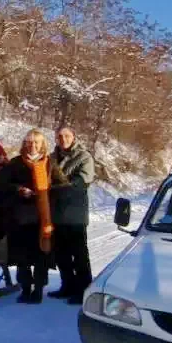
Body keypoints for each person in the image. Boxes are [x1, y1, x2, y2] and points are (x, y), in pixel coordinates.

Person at [0, 129, 68, 304]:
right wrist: (19, 189)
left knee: (41, 255)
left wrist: (46, 192)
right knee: (22, 256)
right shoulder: (15, 163)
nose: (33, 145)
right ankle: (25, 289)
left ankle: (38, 290)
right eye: (29, 142)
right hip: (21, 217)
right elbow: (3, 184)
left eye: (36, 142)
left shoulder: (49, 163)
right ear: (24, 144)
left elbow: (64, 186)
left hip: (42, 218)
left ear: (42, 144)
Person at [51, 126, 96, 304]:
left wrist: (54, 188)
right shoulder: (52, 158)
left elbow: (82, 181)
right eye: (60, 136)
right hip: (56, 213)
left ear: (74, 137)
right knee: (61, 253)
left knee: (79, 254)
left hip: (75, 213)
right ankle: (67, 285)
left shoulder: (84, 157)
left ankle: (83, 289)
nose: (63, 139)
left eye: (67, 136)